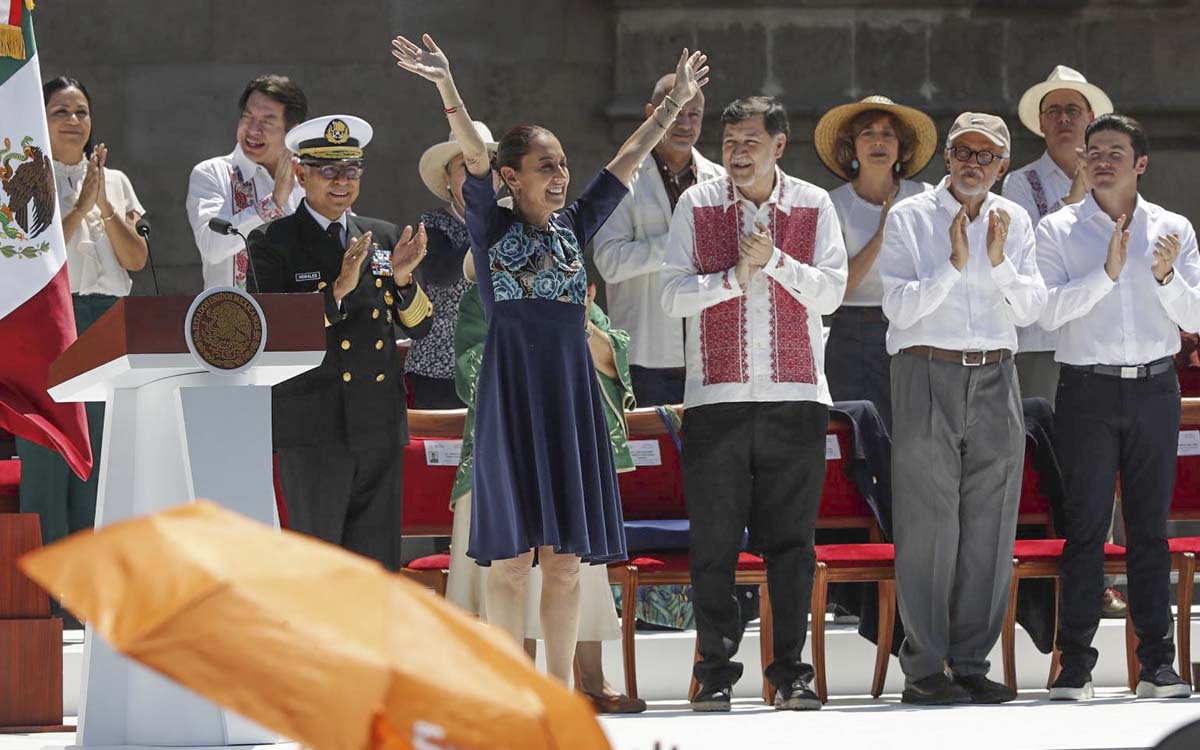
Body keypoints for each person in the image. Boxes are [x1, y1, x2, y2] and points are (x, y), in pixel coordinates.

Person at [392, 31, 709, 685]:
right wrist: (446, 85)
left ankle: (559, 693)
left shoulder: (575, 224)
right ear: (511, 177)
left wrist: (672, 106)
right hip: (512, 403)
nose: (560, 175)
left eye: (562, 164)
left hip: (569, 405)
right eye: (545, 165)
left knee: (565, 561)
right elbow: (474, 158)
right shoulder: (491, 221)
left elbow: (626, 159)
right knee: (511, 562)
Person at [661, 96, 848, 711]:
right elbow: (671, 298)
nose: (737, 154)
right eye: (730, 143)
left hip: (796, 399)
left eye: (749, 142)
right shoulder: (696, 203)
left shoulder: (814, 204)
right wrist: (732, 279)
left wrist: (777, 263)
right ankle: (715, 670)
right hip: (716, 401)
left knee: (791, 545)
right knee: (713, 543)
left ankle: (792, 671)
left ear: (777, 145)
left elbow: (831, 293)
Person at [878, 112, 1046, 705]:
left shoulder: (1017, 219)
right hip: (927, 369)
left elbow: (1030, 310)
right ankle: (925, 668)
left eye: (987, 155)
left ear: (1003, 166)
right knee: (929, 523)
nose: (974, 163)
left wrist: (996, 258)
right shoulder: (911, 217)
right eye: (963, 151)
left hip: (998, 372)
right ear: (946, 157)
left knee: (991, 523)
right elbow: (898, 309)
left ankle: (971, 661)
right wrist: (953, 262)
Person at [1037, 114, 1199, 701]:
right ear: (1082, 162)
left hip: (1156, 389)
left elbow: (1195, 317)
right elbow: (1047, 313)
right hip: (1087, 389)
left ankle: (1158, 664)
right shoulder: (1056, 229)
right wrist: (1107, 273)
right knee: (1084, 529)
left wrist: (1162, 276)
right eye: (1094, 151)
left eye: (1116, 151)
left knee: (1150, 531)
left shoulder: (1173, 228)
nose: (1102, 159)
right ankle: (1074, 666)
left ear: (1141, 163)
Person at [447, 268, 644, 713]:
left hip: (567, 441)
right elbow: (469, 373)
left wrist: (581, 327)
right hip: (507, 441)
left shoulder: (570, 283)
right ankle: (513, 688)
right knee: (509, 569)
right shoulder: (480, 299)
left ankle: (580, 686)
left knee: (574, 569)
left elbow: (614, 360)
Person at [248, 114, 432, 571]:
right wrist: (336, 292)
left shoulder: (384, 237)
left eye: (351, 170)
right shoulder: (272, 241)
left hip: (378, 424)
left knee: (375, 565)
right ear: (301, 173)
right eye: (329, 171)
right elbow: (276, 330)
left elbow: (418, 325)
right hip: (314, 426)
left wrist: (405, 281)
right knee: (319, 563)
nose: (341, 182)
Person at [1006, 66, 1127, 619]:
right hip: (1038, 342)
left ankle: (1101, 573)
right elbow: (1031, 252)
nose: (1062, 120)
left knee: (1098, 462)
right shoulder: (1019, 183)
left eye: (1071, 111)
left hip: (1096, 340)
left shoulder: (1117, 177)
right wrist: (1080, 188)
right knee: (1045, 462)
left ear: (1089, 119)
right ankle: (1048, 582)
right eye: (1052, 112)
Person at [15, 76, 148, 569]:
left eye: (81, 112)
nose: (74, 121)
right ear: (40, 119)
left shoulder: (113, 179)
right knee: (49, 456)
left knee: (103, 452)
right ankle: (48, 594)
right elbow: (32, 256)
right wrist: (76, 208)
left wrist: (105, 206)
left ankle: (94, 594)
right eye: (60, 112)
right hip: (50, 320)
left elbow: (136, 260)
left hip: (106, 322)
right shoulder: (23, 175)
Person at [593, 74, 724, 406]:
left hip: (708, 358)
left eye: (694, 114)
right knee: (650, 456)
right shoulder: (624, 178)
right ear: (652, 112)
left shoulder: (720, 180)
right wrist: (680, 241)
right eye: (676, 111)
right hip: (644, 357)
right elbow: (609, 262)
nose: (685, 123)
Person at [813, 95, 937, 430]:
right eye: (867, 133)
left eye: (888, 134)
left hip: (912, 329)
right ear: (852, 146)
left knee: (909, 435)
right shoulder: (832, 203)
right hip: (850, 332)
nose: (878, 141)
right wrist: (883, 231)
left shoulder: (926, 196)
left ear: (901, 147)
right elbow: (835, 290)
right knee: (854, 436)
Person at [407, 122, 499, 409]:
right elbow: (440, 274)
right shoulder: (434, 225)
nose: (477, 174)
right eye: (465, 165)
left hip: (500, 371)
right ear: (447, 177)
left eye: (485, 165)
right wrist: (486, 226)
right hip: (441, 375)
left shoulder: (517, 224)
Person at [187, 74, 307, 289]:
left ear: (292, 131)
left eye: (267, 122)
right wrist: (273, 205)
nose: (252, 130)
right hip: (234, 318)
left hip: (298, 317)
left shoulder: (308, 178)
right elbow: (211, 247)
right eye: (247, 117)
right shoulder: (212, 173)